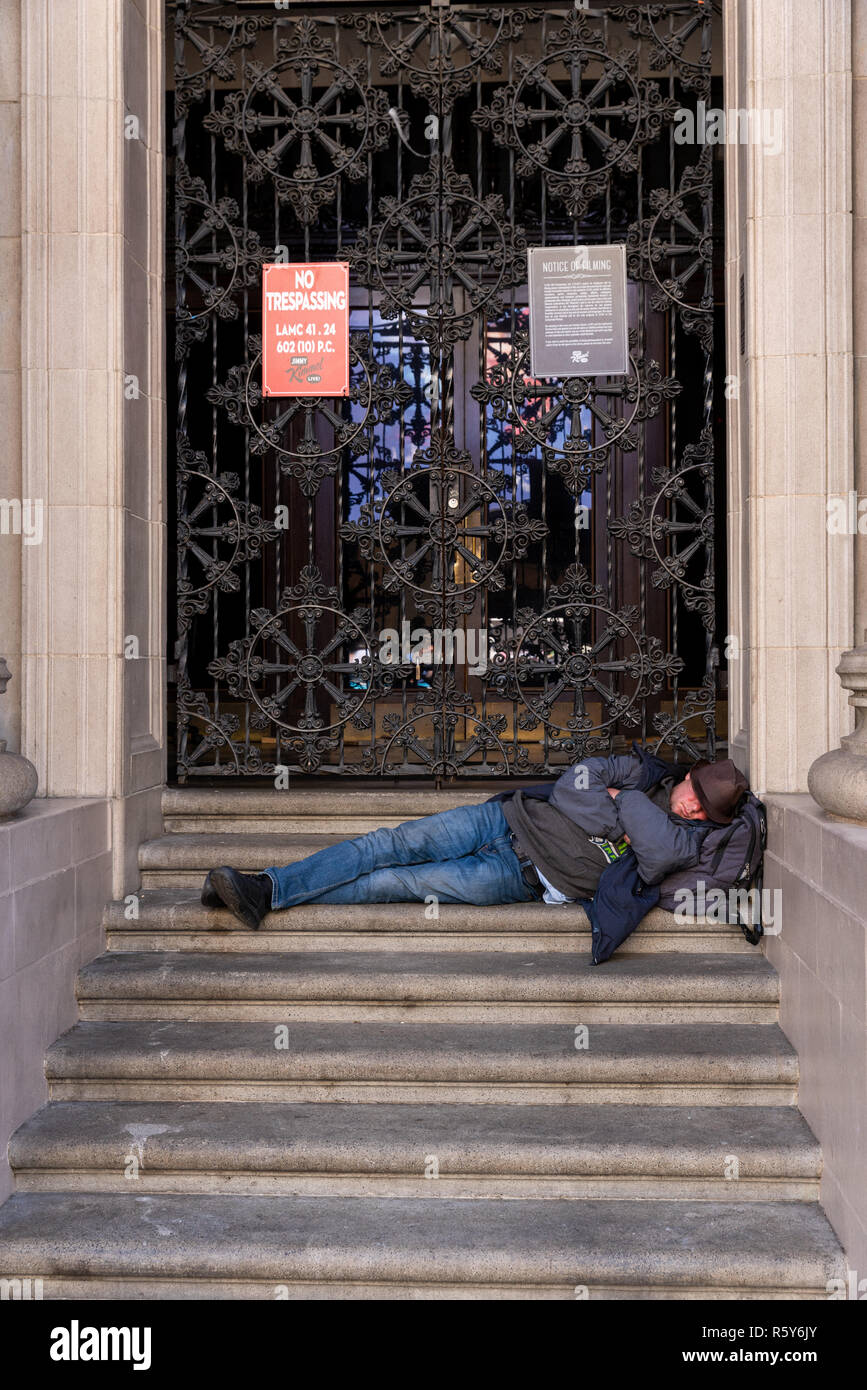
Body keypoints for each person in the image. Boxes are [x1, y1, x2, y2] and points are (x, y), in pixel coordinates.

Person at [202, 747, 750, 932]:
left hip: (520, 876)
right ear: (686, 774)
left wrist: (618, 803)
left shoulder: (686, 839)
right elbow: (571, 785)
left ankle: (266, 894)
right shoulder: (645, 771)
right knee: (383, 845)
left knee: (395, 883)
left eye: (701, 808)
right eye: (692, 790)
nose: (690, 804)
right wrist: (620, 818)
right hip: (505, 820)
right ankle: (265, 888)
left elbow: (654, 853)